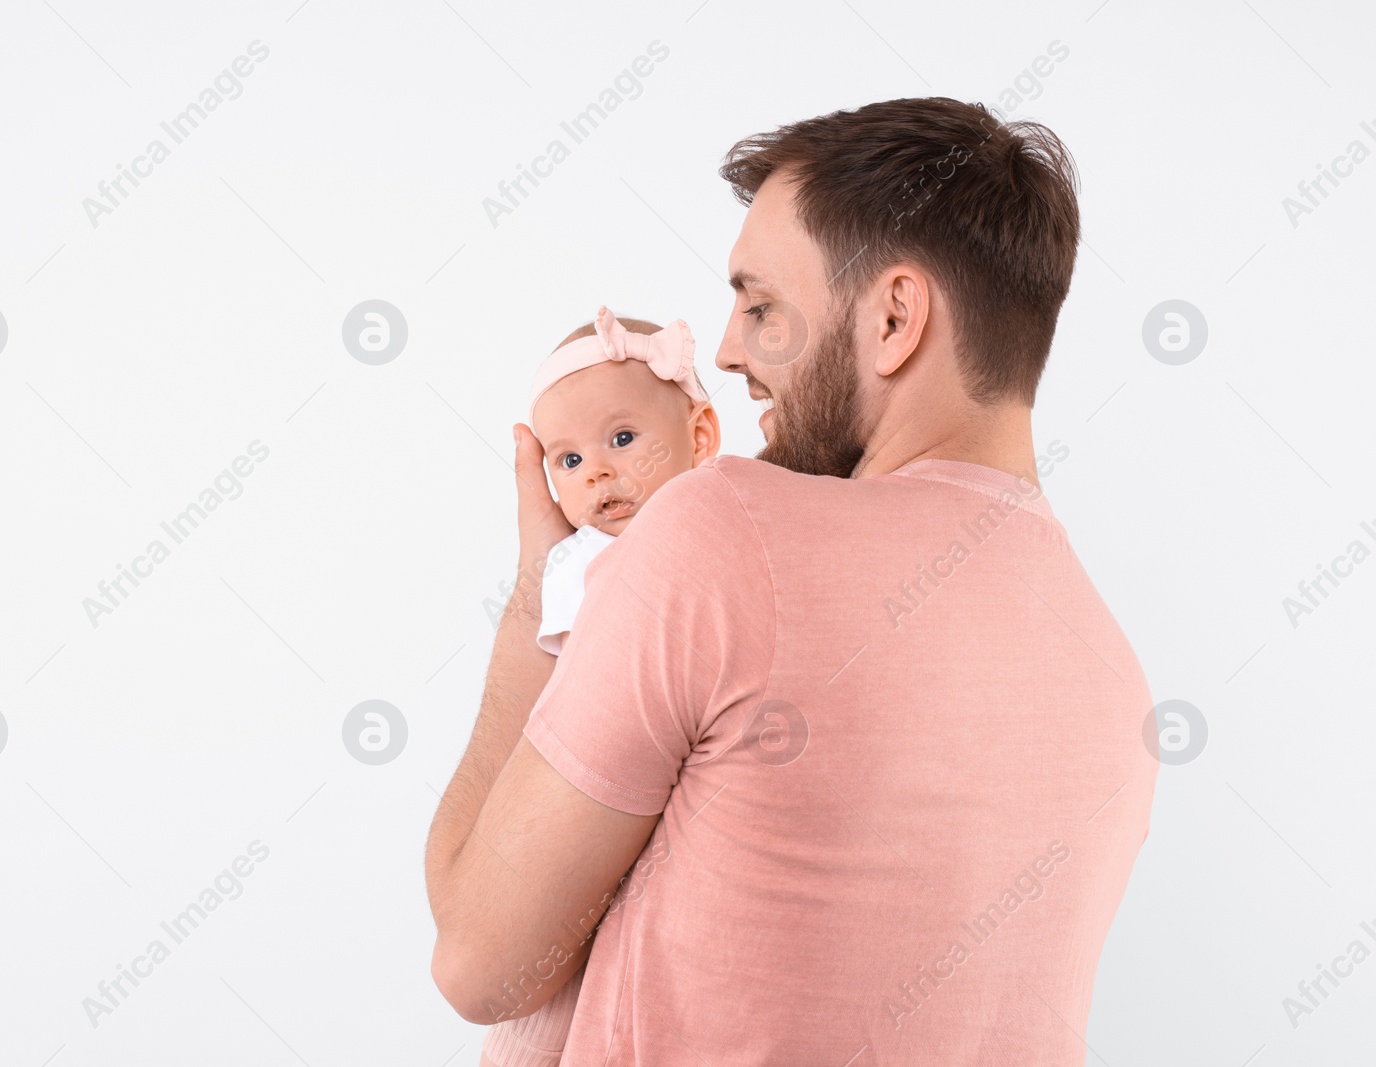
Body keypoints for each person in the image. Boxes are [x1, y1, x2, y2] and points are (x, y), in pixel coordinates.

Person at [426, 96, 1157, 1065]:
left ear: (894, 316)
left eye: (762, 306)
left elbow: (481, 963)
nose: (726, 351)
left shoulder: (727, 530)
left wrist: (539, 593)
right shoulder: (1114, 678)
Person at [479, 306, 720, 1067]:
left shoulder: (718, 545)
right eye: (569, 460)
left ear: (700, 438)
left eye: (622, 439)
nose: (598, 473)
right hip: (579, 820)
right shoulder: (576, 571)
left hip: (665, 836)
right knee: (536, 1022)